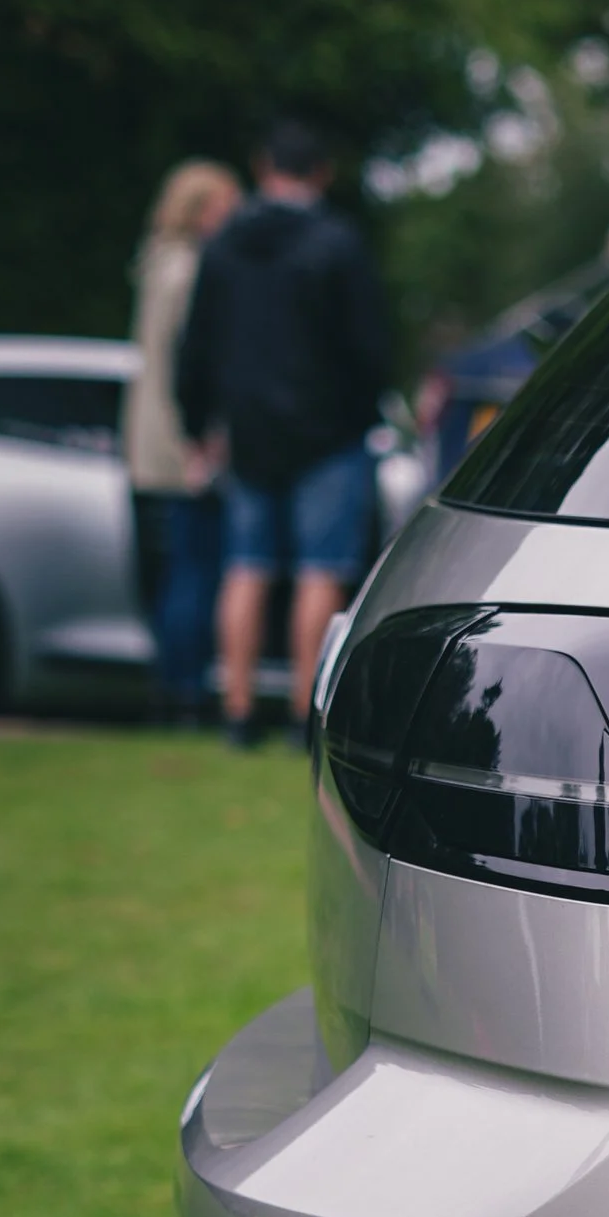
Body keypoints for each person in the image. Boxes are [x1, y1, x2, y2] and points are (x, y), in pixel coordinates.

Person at [175, 116, 387, 748]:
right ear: (321, 173)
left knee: (246, 568)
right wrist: (362, 413)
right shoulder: (339, 244)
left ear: (261, 167)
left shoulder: (223, 246)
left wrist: (198, 427)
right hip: (326, 435)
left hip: (248, 433)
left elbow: (196, 348)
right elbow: (368, 347)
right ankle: (303, 712)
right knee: (320, 571)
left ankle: (236, 710)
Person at [124, 160, 241, 725]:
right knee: (195, 569)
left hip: (153, 440)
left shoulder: (156, 263)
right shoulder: (190, 271)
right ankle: (185, 693)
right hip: (181, 444)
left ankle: (172, 687)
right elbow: (189, 364)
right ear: (202, 209)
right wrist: (200, 440)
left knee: (178, 568)